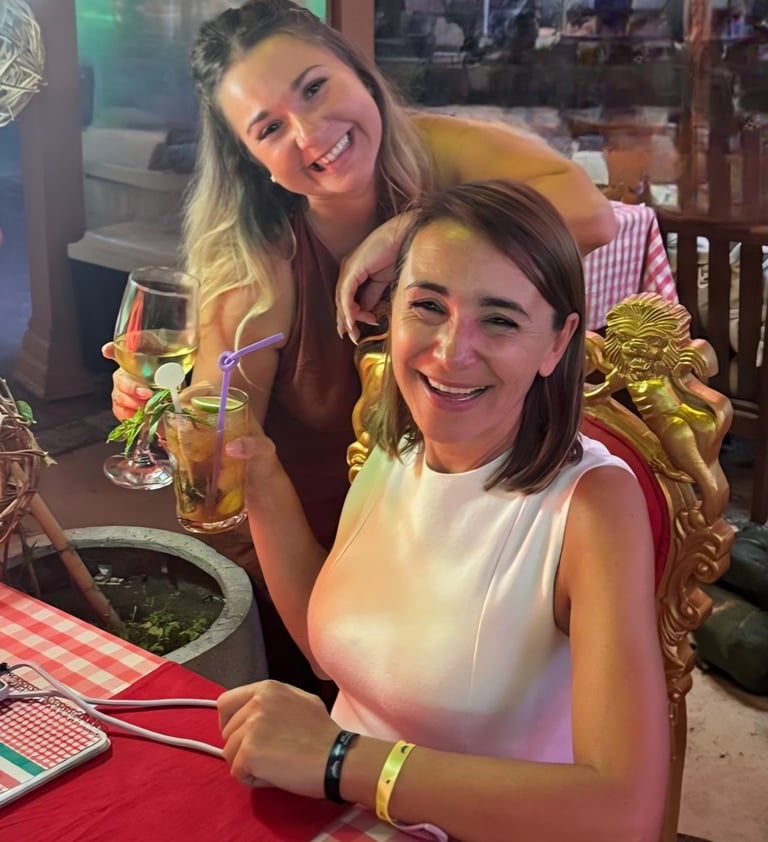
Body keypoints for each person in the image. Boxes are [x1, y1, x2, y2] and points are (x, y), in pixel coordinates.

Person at [105, 0, 617, 692]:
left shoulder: (439, 148)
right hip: (328, 565)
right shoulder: (262, 261)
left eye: (315, 88)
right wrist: (167, 412)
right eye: (270, 128)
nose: (312, 133)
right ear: (254, 161)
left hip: (481, 534)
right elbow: (226, 425)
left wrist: (412, 228)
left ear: (358, 71)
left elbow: (590, 212)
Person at [215, 180, 669, 841]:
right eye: (428, 306)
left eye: (501, 319)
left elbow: (621, 812)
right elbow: (331, 652)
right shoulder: (394, 447)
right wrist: (256, 475)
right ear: (390, 313)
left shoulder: (595, 507)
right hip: (342, 813)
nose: (452, 351)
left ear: (556, 343)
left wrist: (340, 758)